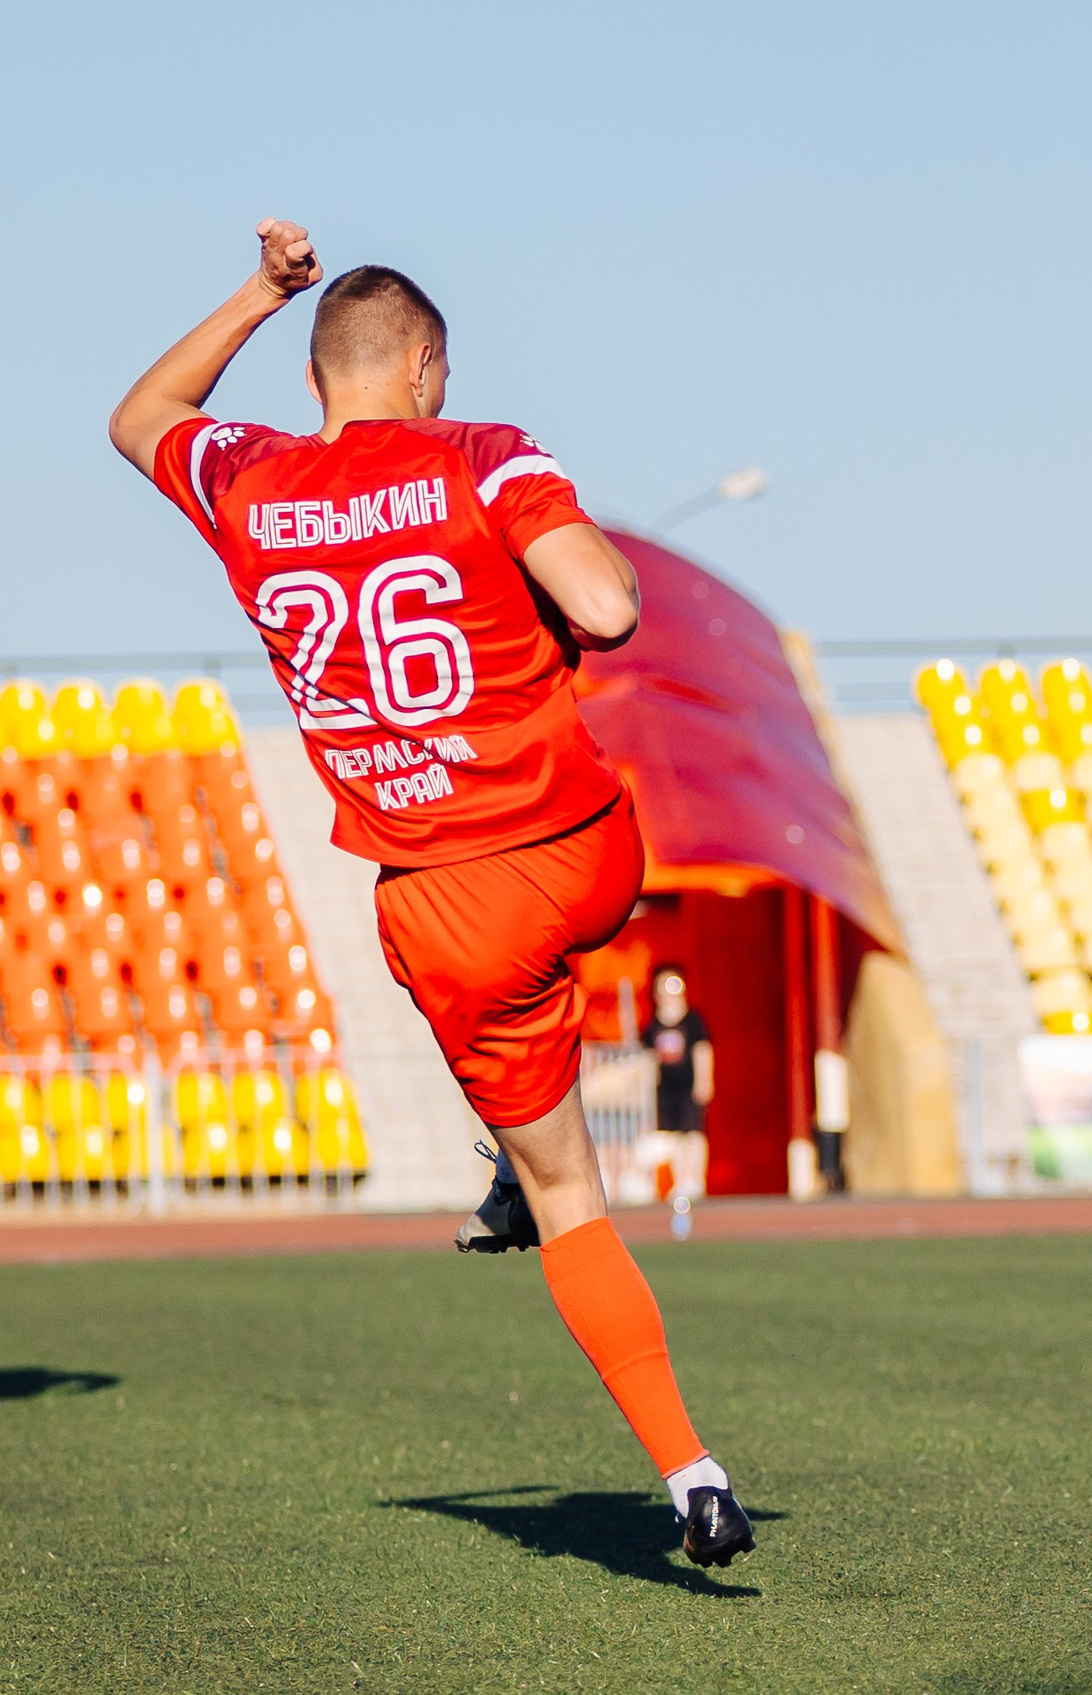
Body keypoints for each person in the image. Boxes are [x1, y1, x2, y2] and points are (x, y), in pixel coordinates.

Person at [107, 220, 754, 1567]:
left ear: (314, 379)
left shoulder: (249, 478)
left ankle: (692, 1472)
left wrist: (258, 291)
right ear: (423, 368)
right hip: (585, 849)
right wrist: (583, 582)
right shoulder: (479, 451)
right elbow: (608, 608)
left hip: (445, 905)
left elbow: (140, 417)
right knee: (554, 1022)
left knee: (567, 1189)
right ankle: (511, 1157)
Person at [641, 966, 715, 1207]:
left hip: (688, 1087)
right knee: (672, 1137)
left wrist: (704, 1081)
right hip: (664, 1090)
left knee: (692, 1133)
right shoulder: (653, 1023)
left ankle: (695, 1178)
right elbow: (647, 1056)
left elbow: (703, 1051)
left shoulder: (692, 1021)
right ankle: (680, 1179)